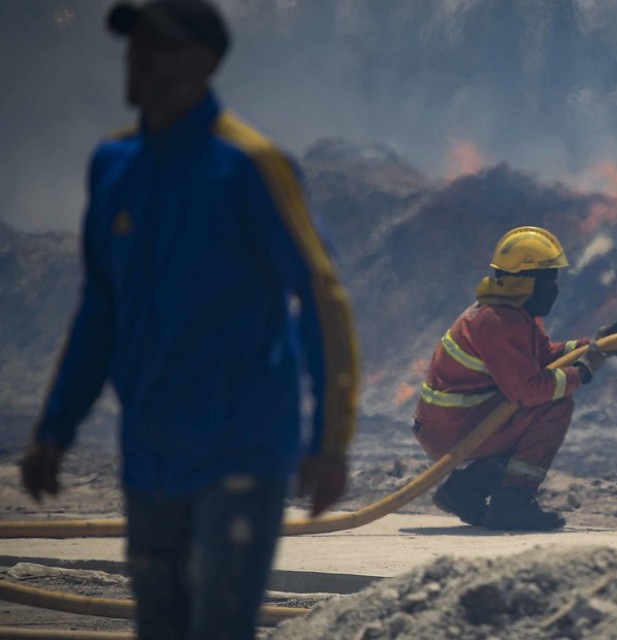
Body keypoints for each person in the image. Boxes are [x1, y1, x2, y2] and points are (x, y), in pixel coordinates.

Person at [16, 1, 361, 638]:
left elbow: (321, 298)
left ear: (204, 62)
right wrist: (54, 428)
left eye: (159, 47)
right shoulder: (114, 165)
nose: (139, 60)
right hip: (150, 453)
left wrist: (330, 441)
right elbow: (100, 309)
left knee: (220, 626)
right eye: (135, 46)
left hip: (241, 447)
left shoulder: (250, 165)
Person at [412, 226, 617, 531]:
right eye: (547, 280)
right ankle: (513, 504)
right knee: (552, 407)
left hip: (458, 421)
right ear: (524, 281)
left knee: (532, 412)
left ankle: (466, 490)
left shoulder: (513, 313)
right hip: (454, 428)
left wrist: (597, 345)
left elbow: (545, 355)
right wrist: (584, 371)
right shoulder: (498, 321)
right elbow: (529, 391)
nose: (554, 287)